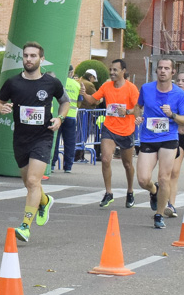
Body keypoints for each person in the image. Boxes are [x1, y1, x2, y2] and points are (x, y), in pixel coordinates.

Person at [0, 42, 70, 242]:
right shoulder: (13, 82)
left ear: (41, 59)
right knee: (28, 182)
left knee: (33, 181)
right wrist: (0, 108)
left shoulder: (51, 83)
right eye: (26, 56)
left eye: (33, 56)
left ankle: (25, 226)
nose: (28, 59)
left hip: (43, 137)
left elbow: (65, 101)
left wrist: (60, 118)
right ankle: (44, 201)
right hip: (20, 138)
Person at [80, 59, 139, 209]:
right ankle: (108, 193)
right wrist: (84, 94)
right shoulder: (106, 86)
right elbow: (93, 101)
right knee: (106, 159)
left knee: (127, 164)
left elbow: (138, 109)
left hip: (127, 130)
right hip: (109, 128)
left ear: (123, 71)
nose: (112, 72)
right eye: (110, 70)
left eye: (115, 70)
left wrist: (127, 112)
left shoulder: (131, 89)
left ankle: (130, 191)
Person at [133, 59, 184, 229]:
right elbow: (137, 106)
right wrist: (138, 117)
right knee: (142, 179)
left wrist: (172, 115)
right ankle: (153, 191)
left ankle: (159, 215)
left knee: (164, 177)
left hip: (169, 138)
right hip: (148, 138)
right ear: (157, 71)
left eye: (166, 68)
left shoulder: (179, 93)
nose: (162, 71)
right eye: (160, 68)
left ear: (172, 72)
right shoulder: (146, 88)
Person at [164, 69, 184, 218]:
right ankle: (171, 205)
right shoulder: (175, 97)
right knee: (174, 172)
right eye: (178, 80)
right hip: (179, 137)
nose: (180, 83)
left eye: (183, 81)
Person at [57, 64, 84, 173]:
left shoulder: (60, 83)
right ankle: (68, 166)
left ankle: (53, 163)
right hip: (71, 116)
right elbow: (79, 102)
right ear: (72, 73)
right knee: (69, 143)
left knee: (55, 141)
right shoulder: (77, 85)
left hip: (59, 116)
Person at [75, 68, 100, 162]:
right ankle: (78, 155)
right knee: (84, 133)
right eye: (94, 79)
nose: (94, 81)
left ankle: (77, 155)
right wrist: (101, 100)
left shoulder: (79, 81)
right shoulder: (89, 84)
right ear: (91, 77)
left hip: (79, 110)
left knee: (80, 132)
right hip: (87, 111)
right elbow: (96, 99)